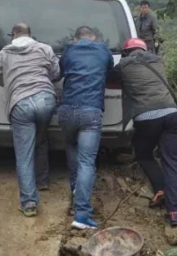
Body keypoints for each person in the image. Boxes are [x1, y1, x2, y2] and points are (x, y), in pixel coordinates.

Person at [108, 38, 177, 227]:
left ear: (127, 52)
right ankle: (175, 211)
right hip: (170, 114)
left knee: (144, 155)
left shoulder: (123, 65)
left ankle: (160, 189)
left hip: (146, 117)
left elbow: (109, 77)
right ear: (145, 49)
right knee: (172, 162)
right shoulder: (158, 61)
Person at [0, 23, 61, 217]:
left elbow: (0, 80)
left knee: (24, 154)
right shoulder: (45, 48)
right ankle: (42, 181)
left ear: (14, 34)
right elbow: (56, 75)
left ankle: (29, 202)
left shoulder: (4, 53)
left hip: (21, 103)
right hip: (46, 100)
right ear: (30, 35)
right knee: (40, 139)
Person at [58, 26, 114, 230]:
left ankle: (75, 188)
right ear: (93, 37)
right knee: (87, 162)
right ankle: (81, 214)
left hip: (65, 111)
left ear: (75, 38)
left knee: (71, 146)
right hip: (90, 111)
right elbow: (109, 71)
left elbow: (61, 72)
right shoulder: (103, 49)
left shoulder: (68, 50)